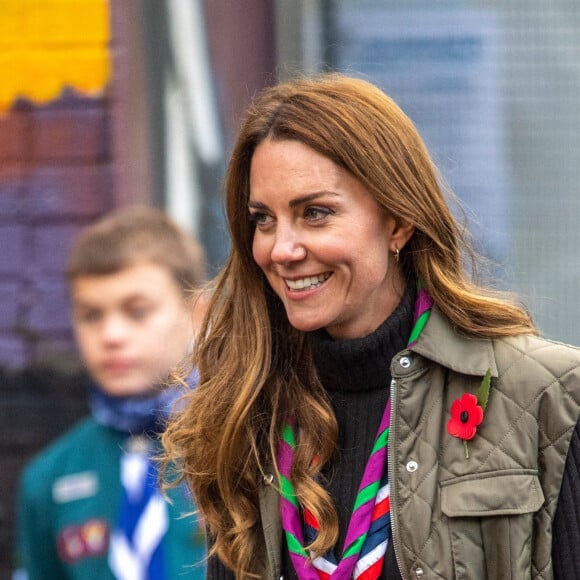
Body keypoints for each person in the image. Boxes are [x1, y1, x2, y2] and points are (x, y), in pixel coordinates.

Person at [161, 74, 580, 580]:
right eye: (263, 220)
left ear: (398, 220)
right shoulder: (248, 408)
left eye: (315, 213)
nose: (281, 249)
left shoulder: (546, 394)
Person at [14, 206, 208, 580]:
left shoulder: (251, 448)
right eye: (91, 315)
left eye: (136, 312)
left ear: (198, 312)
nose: (111, 335)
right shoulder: (50, 477)